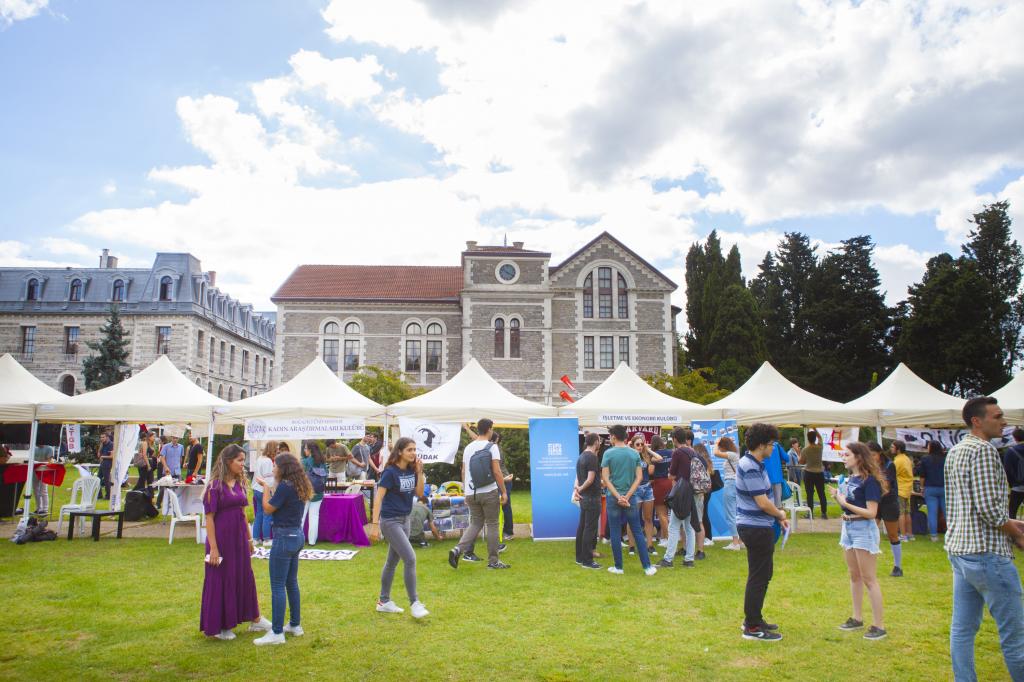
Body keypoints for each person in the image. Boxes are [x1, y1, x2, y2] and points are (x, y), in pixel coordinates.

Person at [945, 397, 1024, 680]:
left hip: (961, 551)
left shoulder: (955, 451)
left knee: (962, 630)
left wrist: (1014, 523)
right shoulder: (985, 451)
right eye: (998, 416)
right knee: (1016, 638)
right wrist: (1017, 535)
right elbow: (990, 510)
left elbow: (968, 505)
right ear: (977, 421)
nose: (1004, 421)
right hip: (987, 554)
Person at [200, 444, 271, 640]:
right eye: (240, 460)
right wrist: (213, 548)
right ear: (228, 461)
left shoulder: (240, 484)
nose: (243, 464)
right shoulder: (214, 486)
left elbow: (242, 513)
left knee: (244, 577)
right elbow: (209, 518)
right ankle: (222, 626)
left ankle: (255, 618)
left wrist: (249, 539)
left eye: (243, 460)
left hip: (239, 539)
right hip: (221, 541)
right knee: (222, 579)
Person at [736, 423, 789, 642]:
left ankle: (755, 617)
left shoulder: (757, 464)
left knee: (764, 574)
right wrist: (780, 515)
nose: (773, 448)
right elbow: (762, 502)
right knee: (758, 576)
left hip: (760, 526)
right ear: (761, 445)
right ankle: (752, 626)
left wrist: (777, 516)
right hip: (755, 527)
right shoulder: (749, 465)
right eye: (771, 444)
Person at [832, 442, 888, 640]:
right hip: (848, 528)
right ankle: (857, 618)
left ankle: (879, 625)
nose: (844, 457)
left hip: (863, 529)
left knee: (869, 579)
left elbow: (872, 513)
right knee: (854, 575)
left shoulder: (869, 481)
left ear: (858, 457)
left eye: (847, 454)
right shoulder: (850, 479)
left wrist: (845, 503)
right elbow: (850, 504)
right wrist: (840, 498)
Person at [255, 452, 312, 645]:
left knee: (278, 586)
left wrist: (265, 488)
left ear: (283, 467)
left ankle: (277, 632)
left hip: (284, 537)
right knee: (291, 583)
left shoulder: (286, 486)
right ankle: (295, 625)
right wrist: (271, 488)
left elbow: (267, 509)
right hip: (296, 535)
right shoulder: (297, 484)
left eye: (275, 466)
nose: (272, 469)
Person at [370, 437, 429, 618]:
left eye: (414, 449)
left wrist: (419, 472)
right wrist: (374, 524)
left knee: (392, 561)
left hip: (406, 519)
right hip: (391, 521)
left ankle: (383, 601)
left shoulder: (412, 470)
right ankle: (415, 603)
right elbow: (379, 498)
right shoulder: (390, 472)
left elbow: (420, 494)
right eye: (409, 449)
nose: (413, 453)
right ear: (400, 451)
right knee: (410, 558)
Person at [448, 419, 510, 570]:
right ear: (489, 429)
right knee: (493, 524)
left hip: (471, 492)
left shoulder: (469, 447)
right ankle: (493, 561)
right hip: (488, 491)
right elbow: (496, 471)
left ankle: (458, 549)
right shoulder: (492, 447)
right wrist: (503, 491)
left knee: (475, 523)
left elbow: (463, 471)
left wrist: (465, 491)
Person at [601, 424, 656, 576]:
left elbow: (605, 478)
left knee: (615, 531)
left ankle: (618, 567)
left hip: (614, 498)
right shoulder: (633, 454)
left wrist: (619, 497)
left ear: (613, 436)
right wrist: (628, 495)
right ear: (625, 437)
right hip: (631, 497)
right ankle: (647, 567)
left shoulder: (608, 454)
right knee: (638, 530)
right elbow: (639, 477)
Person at [661, 427, 698, 568]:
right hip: (691, 491)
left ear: (675, 439)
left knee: (674, 526)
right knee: (689, 527)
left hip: (681, 492)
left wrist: (671, 474)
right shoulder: (692, 451)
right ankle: (689, 559)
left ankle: (668, 559)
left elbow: (671, 474)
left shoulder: (677, 453)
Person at [869, 441, 904, 578]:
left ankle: (898, 566)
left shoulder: (890, 465)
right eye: (869, 455)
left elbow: (886, 487)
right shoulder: (869, 466)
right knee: (871, 532)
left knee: (892, 535)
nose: (872, 458)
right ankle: (869, 565)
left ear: (880, 453)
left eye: (873, 455)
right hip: (876, 503)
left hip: (888, 503)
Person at [573, 433, 602, 569]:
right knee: (589, 529)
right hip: (591, 497)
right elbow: (590, 479)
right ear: (596, 442)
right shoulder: (592, 457)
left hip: (584, 497)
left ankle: (580, 557)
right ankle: (587, 561)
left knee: (582, 527)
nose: (600, 444)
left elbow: (578, 477)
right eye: (599, 441)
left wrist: (577, 489)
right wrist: (581, 489)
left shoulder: (581, 456)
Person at [630, 434, 660, 556]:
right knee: (632, 518)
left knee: (648, 518)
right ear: (632, 445)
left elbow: (659, 458)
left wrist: (648, 449)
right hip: (635, 489)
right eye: (637, 444)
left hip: (647, 488)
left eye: (642, 444)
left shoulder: (646, 456)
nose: (640, 446)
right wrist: (631, 449)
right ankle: (632, 546)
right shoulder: (630, 457)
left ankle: (650, 545)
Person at [713, 436, 742, 550]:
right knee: (738, 514)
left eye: (721, 446)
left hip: (730, 484)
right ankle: (740, 541)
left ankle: (735, 543)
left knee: (730, 513)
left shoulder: (731, 455)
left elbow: (715, 453)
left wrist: (716, 443)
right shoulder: (735, 454)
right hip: (737, 484)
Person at [918, 441, 947, 542]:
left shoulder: (925, 459)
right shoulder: (945, 458)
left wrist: (922, 488)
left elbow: (922, 475)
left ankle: (934, 536)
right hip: (944, 488)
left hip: (930, 488)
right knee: (947, 512)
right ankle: (952, 533)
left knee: (932, 512)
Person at [300, 442, 327, 545]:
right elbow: (326, 476)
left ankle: (299, 540)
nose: (304, 450)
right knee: (314, 516)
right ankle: (312, 541)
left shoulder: (304, 462)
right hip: (318, 492)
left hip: (305, 491)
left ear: (310, 450)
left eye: (306, 448)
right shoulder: (322, 462)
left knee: (301, 516)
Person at [490, 431, 516, 540]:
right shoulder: (492, 448)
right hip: (502, 479)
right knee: (500, 506)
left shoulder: (495, 449)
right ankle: (503, 532)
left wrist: (504, 479)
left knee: (505, 506)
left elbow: (496, 470)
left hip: (504, 480)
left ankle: (508, 532)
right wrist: (466, 428)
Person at [251, 442, 277, 547]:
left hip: (256, 489)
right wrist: (272, 490)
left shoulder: (260, 458)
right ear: (273, 450)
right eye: (276, 449)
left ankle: (256, 539)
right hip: (263, 490)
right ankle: (266, 539)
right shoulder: (268, 461)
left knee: (259, 514)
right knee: (267, 514)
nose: (277, 451)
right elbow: (269, 480)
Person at [650, 435, 673, 546]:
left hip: (659, 483)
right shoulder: (671, 452)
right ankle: (664, 537)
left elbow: (650, 471)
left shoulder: (653, 455)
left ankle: (668, 539)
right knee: (670, 514)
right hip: (670, 482)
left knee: (661, 514)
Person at [800, 430, 827, 520]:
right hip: (819, 473)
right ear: (815, 438)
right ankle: (824, 513)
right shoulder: (820, 447)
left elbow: (801, 462)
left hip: (809, 473)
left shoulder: (805, 450)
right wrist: (815, 429)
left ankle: (810, 514)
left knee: (810, 494)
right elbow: (820, 438)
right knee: (821, 493)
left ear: (808, 439)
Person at [693, 443, 714, 556]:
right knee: (703, 516)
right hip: (704, 491)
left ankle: (704, 540)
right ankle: (705, 541)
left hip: (698, 492)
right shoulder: (707, 461)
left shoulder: (696, 461)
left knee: (700, 517)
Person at [891, 440, 914, 541]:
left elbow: (893, 473)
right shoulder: (907, 459)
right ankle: (909, 534)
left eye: (892, 447)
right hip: (907, 488)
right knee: (907, 512)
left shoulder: (898, 460)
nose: (891, 448)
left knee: (901, 513)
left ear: (898, 449)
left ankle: (903, 535)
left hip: (900, 488)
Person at [1002, 427, 1024, 519]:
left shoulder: (1010, 451)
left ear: (1014, 438)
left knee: (1012, 513)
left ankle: (1015, 533)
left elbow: (1007, 470)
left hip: (1017, 486)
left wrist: (1012, 484)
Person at [97, 432, 114, 500]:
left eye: (103, 437)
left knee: (106, 480)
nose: (102, 438)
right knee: (98, 479)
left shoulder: (111, 444)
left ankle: (108, 495)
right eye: (101, 437)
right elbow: (98, 455)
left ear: (107, 437)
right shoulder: (103, 444)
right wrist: (100, 447)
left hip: (107, 464)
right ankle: (99, 495)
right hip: (102, 464)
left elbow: (112, 456)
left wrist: (103, 457)